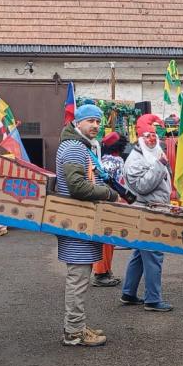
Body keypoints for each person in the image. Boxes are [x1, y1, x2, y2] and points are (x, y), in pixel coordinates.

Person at [56, 103, 120, 347]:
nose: (95, 125)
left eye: (98, 121)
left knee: (80, 278)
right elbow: (77, 187)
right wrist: (108, 194)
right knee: (78, 279)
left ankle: (77, 325)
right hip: (77, 225)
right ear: (78, 122)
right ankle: (73, 332)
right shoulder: (74, 148)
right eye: (90, 121)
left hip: (80, 223)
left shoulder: (78, 145)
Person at [120, 115, 174, 312]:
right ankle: (153, 300)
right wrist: (160, 165)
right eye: (147, 136)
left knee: (140, 253)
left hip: (155, 209)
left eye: (154, 135)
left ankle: (128, 293)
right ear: (140, 138)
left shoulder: (153, 153)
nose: (152, 139)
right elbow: (142, 186)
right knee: (154, 253)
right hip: (147, 212)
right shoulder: (135, 160)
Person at [91, 132, 127, 287]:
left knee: (107, 240)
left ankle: (105, 271)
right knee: (106, 240)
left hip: (103, 203)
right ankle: (101, 273)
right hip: (109, 204)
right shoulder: (115, 162)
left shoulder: (102, 160)